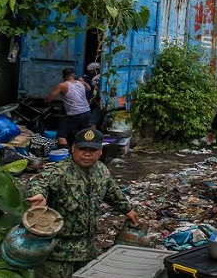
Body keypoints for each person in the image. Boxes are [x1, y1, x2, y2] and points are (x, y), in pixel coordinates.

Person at [26, 128, 139, 277]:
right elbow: (39, 183)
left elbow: (112, 191)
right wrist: (38, 194)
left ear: (100, 151)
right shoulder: (59, 171)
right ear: (73, 148)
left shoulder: (101, 170)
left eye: (93, 150)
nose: (87, 154)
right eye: (82, 149)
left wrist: (127, 209)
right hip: (58, 253)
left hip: (87, 250)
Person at [46, 67, 92, 148]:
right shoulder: (80, 83)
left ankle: (64, 153)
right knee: (84, 135)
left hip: (75, 113)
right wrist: (83, 81)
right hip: (87, 112)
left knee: (61, 136)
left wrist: (46, 101)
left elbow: (49, 99)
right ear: (73, 75)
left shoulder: (62, 85)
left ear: (63, 76)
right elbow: (89, 88)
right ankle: (84, 150)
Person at [84, 62, 103, 128]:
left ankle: (92, 133)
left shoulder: (96, 79)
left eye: (91, 72)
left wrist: (91, 100)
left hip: (100, 103)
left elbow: (95, 91)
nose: (90, 73)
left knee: (92, 122)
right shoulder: (105, 75)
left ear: (95, 70)